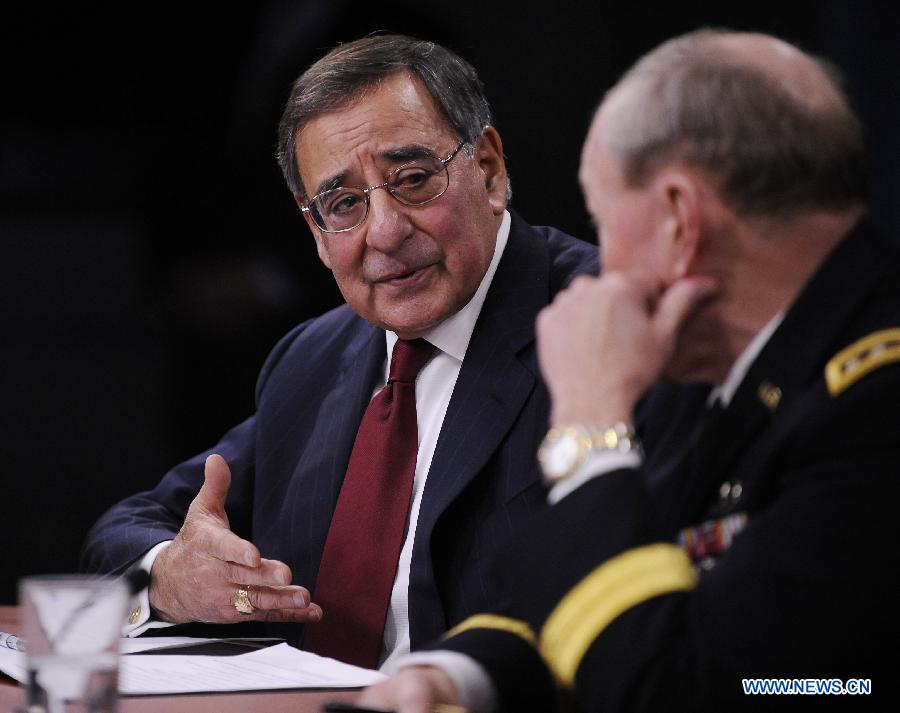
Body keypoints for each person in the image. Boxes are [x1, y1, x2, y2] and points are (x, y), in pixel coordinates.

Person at [358, 28, 900, 711]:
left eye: (605, 222)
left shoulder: (876, 404)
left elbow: (682, 688)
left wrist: (590, 423)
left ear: (679, 218)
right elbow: (606, 579)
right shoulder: (718, 374)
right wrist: (460, 675)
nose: (603, 262)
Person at [79, 34, 598, 669]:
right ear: (317, 234)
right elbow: (128, 526)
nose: (383, 231)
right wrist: (169, 575)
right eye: (344, 204)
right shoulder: (312, 360)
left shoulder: (603, 325)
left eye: (412, 180)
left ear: (489, 170)